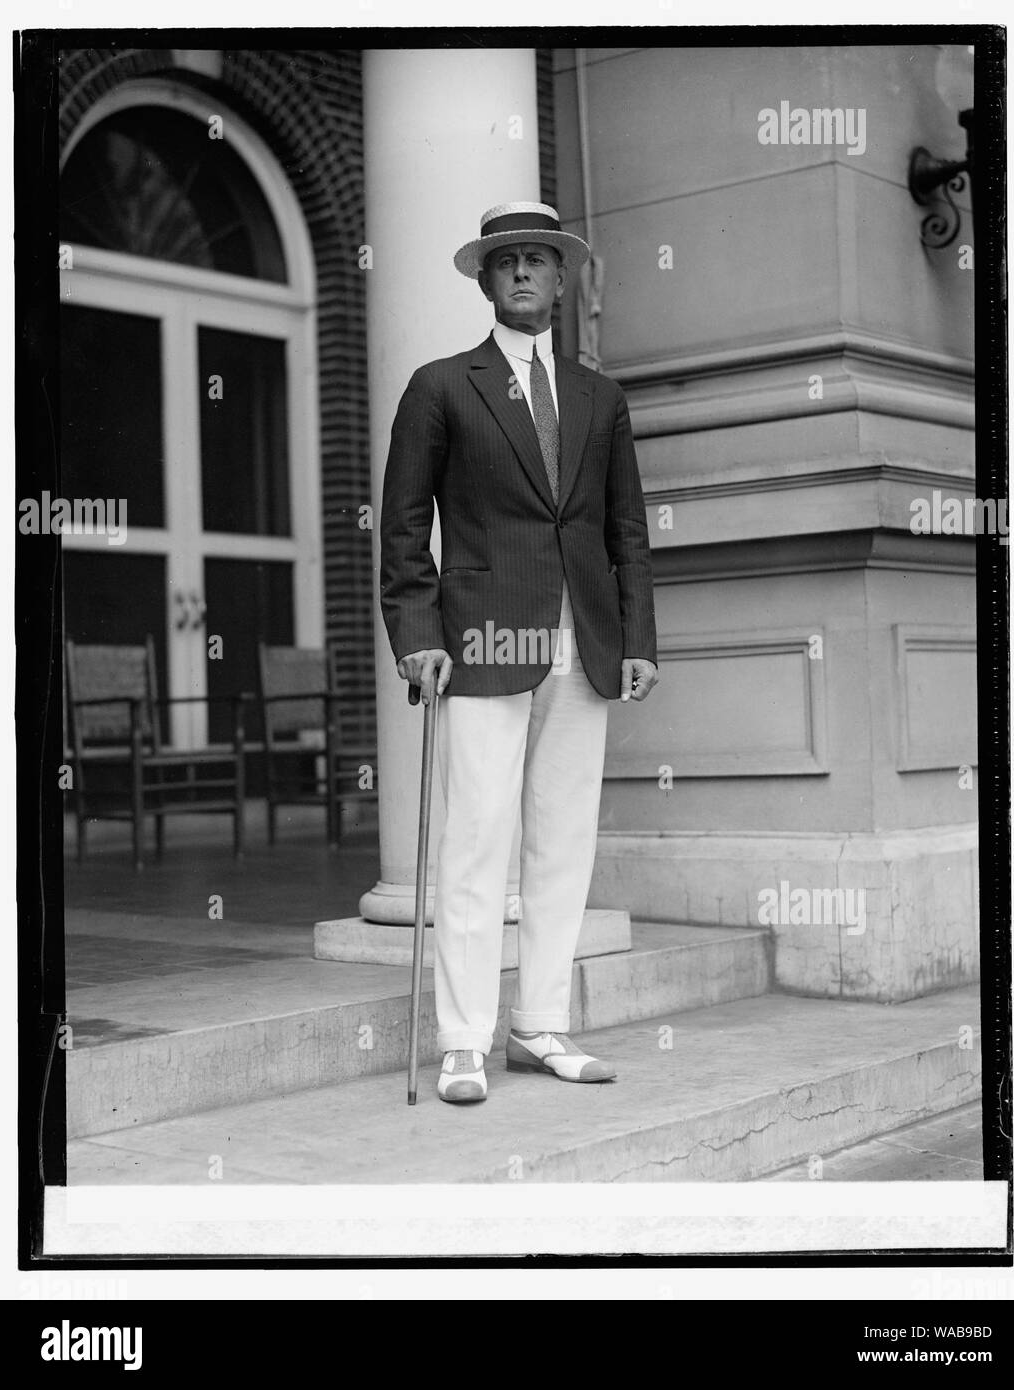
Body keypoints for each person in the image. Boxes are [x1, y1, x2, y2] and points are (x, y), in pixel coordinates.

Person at [379, 201, 658, 1104]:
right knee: (474, 842)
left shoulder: (599, 397)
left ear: (563, 278)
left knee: (563, 842)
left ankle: (538, 1027)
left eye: (539, 259)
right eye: (507, 261)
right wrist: (418, 637)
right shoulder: (439, 386)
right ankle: (463, 1039)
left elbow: (625, 528)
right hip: (482, 641)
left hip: (584, 641)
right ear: (486, 281)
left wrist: (637, 640)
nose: (525, 272)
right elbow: (402, 528)